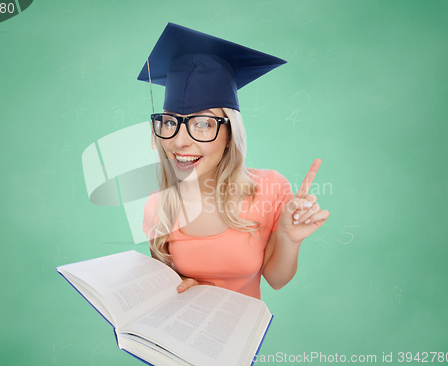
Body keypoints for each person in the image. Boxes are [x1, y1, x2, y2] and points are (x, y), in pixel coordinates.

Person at [139, 23, 329, 300]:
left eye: (202, 124)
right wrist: (179, 286)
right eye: (169, 122)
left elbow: (276, 280)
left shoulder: (270, 188)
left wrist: (288, 237)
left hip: (243, 336)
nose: (180, 141)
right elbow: (164, 286)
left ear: (230, 134)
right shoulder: (158, 206)